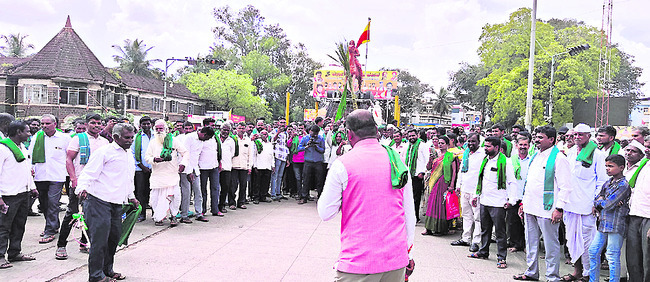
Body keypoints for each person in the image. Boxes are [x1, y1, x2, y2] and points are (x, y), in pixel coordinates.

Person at [318, 109, 415, 281]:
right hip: (395, 260)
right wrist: (409, 253)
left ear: (349, 134)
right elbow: (409, 213)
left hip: (358, 262)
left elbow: (326, 213)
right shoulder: (397, 162)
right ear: (377, 132)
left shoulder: (342, 165)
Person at [76, 123, 140, 282]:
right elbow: (88, 173)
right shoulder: (104, 152)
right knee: (99, 241)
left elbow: (127, 178)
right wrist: (81, 189)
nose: (130, 140)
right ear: (116, 137)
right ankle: (96, 276)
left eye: (132, 137)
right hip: (99, 201)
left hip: (117, 203)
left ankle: (108, 270)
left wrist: (131, 196)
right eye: (127, 137)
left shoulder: (128, 154)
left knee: (113, 238)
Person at [514, 125, 572, 282]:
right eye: (536, 136)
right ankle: (531, 271)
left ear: (551, 140)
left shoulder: (559, 159)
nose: (536, 139)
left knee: (550, 245)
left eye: (540, 137)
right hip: (530, 207)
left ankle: (552, 276)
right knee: (531, 242)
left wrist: (559, 208)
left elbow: (565, 187)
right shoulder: (535, 155)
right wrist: (523, 204)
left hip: (548, 209)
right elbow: (530, 182)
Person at [56, 114, 109, 259]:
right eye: (93, 123)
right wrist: (73, 179)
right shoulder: (78, 139)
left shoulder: (104, 142)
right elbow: (69, 159)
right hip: (80, 182)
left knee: (92, 215)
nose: (96, 125)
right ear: (86, 124)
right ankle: (61, 246)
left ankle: (84, 243)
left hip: (97, 184)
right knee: (72, 213)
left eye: (99, 123)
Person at [562, 123, 607, 282]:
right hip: (570, 204)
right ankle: (577, 271)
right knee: (572, 240)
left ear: (589, 136)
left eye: (581, 134)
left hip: (587, 206)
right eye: (575, 135)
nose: (577, 137)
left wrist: (596, 202)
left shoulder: (597, 154)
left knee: (587, 242)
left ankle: (588, 274)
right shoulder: (572, 152)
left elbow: (602, 181)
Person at [468, 137, 517, 269]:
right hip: (484, 200)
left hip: (498, 202)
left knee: (500, 232)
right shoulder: (485, 161)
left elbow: (512, 182)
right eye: (485, 146)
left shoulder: (505, 162)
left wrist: (512, 200)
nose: (485, 148)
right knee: (485, 229)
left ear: (496, 147)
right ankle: (483, 251)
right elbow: (481, 180)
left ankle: (501, 258)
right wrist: (476, 195)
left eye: (488, 146)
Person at [29, 114, 71, 244]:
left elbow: (70, 156)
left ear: (55, 124)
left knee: (53, 202)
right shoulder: (37, 136)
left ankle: (50, 230)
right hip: (40, 175)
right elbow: (30, 154)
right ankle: (52, 225)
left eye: (47, 124)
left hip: (57, 175)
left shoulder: (64, 138)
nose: (44, 126)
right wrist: (30, 169)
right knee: (44, 203)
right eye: (42, 124)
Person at [0, 121, 38, 269]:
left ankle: (15, 252)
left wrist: (32, 187)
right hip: (8, 194)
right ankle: (0, 256)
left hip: (23, 193)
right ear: (18, 132)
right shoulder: (3, 148)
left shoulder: (22, 148)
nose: (29, 134)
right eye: (27, 131)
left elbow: (26, 170)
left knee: (19, 225)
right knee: (3, 227)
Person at [588, 154, 630, 282]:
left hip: (616, 224)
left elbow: (608, 204)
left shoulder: (623, 185)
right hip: (604, 223)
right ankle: (593, 280)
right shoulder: (608, 182)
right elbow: (598, 200)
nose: (607, 169)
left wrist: (602, 201)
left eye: (610, 166)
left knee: (612, 255)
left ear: (621, 167)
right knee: (593, 251)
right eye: (606, 166)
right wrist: (601, 201)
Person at [144, 120, 189, 227]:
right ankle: (159, 218)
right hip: (157, 176)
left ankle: (174, 216)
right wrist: (155, 159)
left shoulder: (173, 140)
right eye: (157, 129)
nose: (159, 131)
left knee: (174, 197)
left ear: (166, 129)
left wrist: (183, 164)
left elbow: (185, 152)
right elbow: (147, 157)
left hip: (172, 174)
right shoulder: (153, 142)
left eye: (161, 128)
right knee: (156, 198)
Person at [453, 133, 485, 252]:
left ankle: (476, 241)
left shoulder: (483, 154)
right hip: (465, 188)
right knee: (466, 215)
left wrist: (478, 192)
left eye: (473, 141)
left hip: (476, 191)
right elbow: (461, 171)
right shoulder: (466, 153)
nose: (471, 144)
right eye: (469, 141)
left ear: (478, 142)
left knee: (477, 217)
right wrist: (458, 185)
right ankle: (465, 238)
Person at [421, 136, 459, 235]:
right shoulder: (435, 155)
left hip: (444, 183)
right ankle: (428, 228)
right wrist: (430, 159)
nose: (440, 145)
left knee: (441, 205)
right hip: (434, 182)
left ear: (447, 144)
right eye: (439, 143)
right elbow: (428, 167)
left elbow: (454, 172)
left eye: (443, 143)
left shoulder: (451, 156)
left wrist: (452, 185)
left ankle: (440, 229)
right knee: (431, 204)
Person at [625, 140, 650, 281]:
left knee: (647, 259)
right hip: (634, 214)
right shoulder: (644, 164)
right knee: (633, 258)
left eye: (649, 147)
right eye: (646, 147)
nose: (646, 150)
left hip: (648, 218)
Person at [178, 124, 211, 223]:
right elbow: (184, 155)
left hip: (195, 169)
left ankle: (199, 213)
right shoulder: (189, 138)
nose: (207, 140)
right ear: (204, 134)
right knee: (186, 193)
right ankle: (184, 215)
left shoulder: (201, 141)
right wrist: (188, 172)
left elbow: (196, 157)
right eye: (207, 137)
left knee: (198, 192)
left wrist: (194, 170)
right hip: (185, 169)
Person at [507, 133, 531, 253]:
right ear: (516, 146)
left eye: (525, 145)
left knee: (528, 223)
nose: (523, 147)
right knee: (513, 221)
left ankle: (527, 245)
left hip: (527, 195)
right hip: (514, 195)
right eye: (520, 144)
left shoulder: (532, 160)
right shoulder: (511, 161)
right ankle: (516, 244)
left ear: (529, 146)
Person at [198, 118, 222, 217]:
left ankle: (215, 209)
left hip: (214, 166)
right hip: (202, 167)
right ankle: (202, 209)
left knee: (215, 188)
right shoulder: (200, 137)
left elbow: (218, 150)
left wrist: (219, 162)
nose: (214, 127)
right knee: (203, 189)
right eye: (211, 125)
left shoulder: (215, 137)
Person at [131, 116, 153, 222]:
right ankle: (141, 214)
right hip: (140, 169)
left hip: (155, 169)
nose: (146, 126)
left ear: (151, 124)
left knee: (154, 192)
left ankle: (156, 214)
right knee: (140, 192)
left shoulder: (156, 136)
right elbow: (133, 154)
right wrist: (142, 166)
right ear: (140, 126)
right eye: (144, 124)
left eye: (148, 123)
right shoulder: (136, 137)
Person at [297, 125, 326, 203]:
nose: (315, 135)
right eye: (313, 133)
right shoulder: (305, 138)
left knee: (319, 180)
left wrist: (316, 147)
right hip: (308, 161)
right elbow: (298, 148)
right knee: (306, 180)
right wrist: (306, 146)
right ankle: (304, 197)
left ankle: (320, 197)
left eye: (316, 133)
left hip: (318, 162)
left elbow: (323, 150)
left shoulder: (321, 138)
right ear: (310, 131)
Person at [406, 128, 428, 222]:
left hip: (418, 175)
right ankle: (409, 216)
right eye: (410, 136)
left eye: (413, 135)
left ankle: (415, 217)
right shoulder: (408, 146)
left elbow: (427, 159)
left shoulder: (422, 145)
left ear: (417, 135)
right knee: (408, 197)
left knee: (416, 197)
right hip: (409, 175)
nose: (411, 137)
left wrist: (423, 172)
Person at [231, 122, 253, 210]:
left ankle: (241, 202)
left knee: (243, 185)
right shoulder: (232, 139)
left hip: (244, 166)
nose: (241, 130)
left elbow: (250, 155)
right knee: (233, 186)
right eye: (240, 128)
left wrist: (249, 167)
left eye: (243, 128)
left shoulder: (248, 140)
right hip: (234, 165)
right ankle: (232, 203)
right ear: (237, 129)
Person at [218, 124, 237, 214]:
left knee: (225, 188)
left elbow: (232, 153)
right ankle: (214, 206)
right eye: (224, 130)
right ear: (220, 129)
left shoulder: (231, 141)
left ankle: (221, 206)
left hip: (227, 167)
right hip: (216, 167)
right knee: (215, 188)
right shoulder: (215, 138)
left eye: (227, 130)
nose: (225, 132)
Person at [251, 130, 274, 204]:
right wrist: (255, 165)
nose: (264, 135)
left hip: (268, 166)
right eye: (263, 134)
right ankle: (256, 197)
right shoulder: (257, 142)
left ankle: (263, 196)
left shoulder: (270, 144)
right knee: (257, 183)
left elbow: (272, 155)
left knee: (266, 183)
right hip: (259, 165)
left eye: (266, 134)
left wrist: (272, 165)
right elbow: (254, 155)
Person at [270, 119, 289, 201]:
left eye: (284, 123)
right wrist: (278, 132)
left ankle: (278, 192)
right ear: (278, 123)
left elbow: (286, 145)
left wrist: (287, 158)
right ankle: (273, 193)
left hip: (284, 156)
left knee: (280, 176)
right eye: (281, 122)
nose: (282, 124)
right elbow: (272, 140)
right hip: (277, 155)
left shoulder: (286, 133)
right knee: (274, 175)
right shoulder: (273, 131)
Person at [288, 124, 306, 200]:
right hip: (295, 160)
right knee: (298, 178)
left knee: (304, 178)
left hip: (304, 160)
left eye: (302, 128)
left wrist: (305, 134)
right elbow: (288, 144)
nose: (300, 130)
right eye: (299, 128)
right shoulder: (294, 137)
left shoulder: (305, 137)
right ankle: (299, 193)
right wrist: (292, 137)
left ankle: (305, 194)